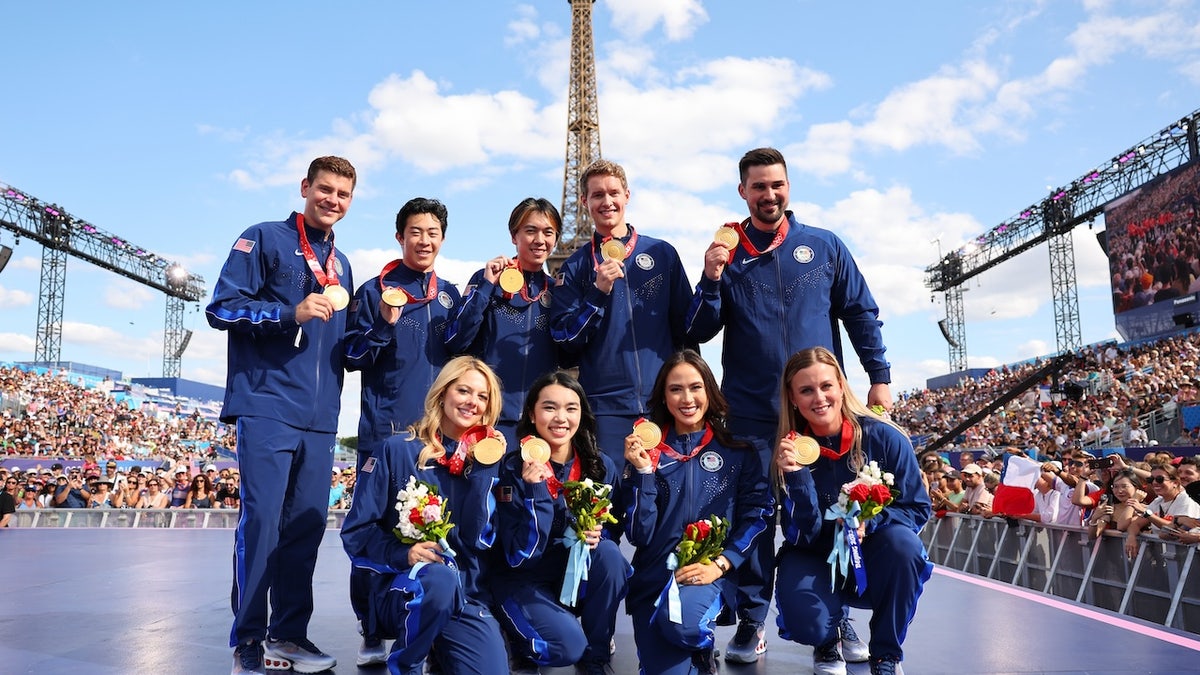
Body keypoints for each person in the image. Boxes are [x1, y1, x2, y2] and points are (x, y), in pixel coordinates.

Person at [684, 147, 891, 662]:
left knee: (830, 512)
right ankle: (752, 621)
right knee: (753, 514)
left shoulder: (823, 246)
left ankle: (838, 622)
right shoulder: (726, 255)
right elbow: (698, 330)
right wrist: (710, 280)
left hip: (818, 410)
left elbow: (861, 312)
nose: (769, 194)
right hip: (751, 410)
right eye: (758, 186)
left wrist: (879, 376)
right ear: (742, 192)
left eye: (777, 185)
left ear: (788, 187)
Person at [206, 155, 357, 675]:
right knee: (263, 525)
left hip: (321, 416)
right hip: (268, 405)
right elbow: (221, 307)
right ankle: (247, 640)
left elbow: (346, 347)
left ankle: (288, 635)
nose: (332, 200)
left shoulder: (344, 265)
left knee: (306, 528)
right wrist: (286, 312)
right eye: (324, 189)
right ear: (304, 187)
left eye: (342, 194)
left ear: (350, 201)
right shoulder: (263, 238)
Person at [344, 197, 461, 665]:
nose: (425, 240)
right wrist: (381, 327)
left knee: (434, 529)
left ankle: (425, 623)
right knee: (377, 531)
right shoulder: (375, 291)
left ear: (442, 239)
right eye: (416, 231)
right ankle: (371, 628)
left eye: (433, 232)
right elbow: (351, 357)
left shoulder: (450, 294)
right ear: (400, 236)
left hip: (437, 437)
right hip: (386, 433)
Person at [340, 356, 509, 675]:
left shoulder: (486, 465)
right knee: (438, 581)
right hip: (399, 587)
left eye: (482, 396)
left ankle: (440, 648)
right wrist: (403, 554)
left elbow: (478, 541)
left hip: (463, 594)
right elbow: (356, 533)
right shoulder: (397, 450)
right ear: (443, 393)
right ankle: (405, 665)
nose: (472, 402)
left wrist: (484, 472)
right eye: (464, 390)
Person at [771, 347, 930, 675]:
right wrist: (798, 477)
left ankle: (886, 655)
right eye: (806, 390)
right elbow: (802, 533)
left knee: (905, 547)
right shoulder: (788, 450)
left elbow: (916, 508)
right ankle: (828, 636)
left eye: (826, 386)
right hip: (814, 553)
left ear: (841, 386)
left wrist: (870, 524)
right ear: (793, 397)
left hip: (871, 553)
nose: (819, 398)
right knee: (807, 623)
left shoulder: (884, 437)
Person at [620, 350, 772, 674]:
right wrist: (644, 473)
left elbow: (758, 515)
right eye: (676, 389)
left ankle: (701, 644)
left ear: (709, 391)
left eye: (695, 387)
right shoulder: (645, 453)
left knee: (685, 626)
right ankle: (695, 656)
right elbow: (638, 533)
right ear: (664, 395)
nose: (686, 398)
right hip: (654, 582)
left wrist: (721, 564)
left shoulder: (736, 451)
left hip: (708, 576)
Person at [549, 159, 694, 462]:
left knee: (666, 500)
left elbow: (687, 331)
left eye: (613, 192)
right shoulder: (574, 267)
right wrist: (597, 293)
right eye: (597, 195)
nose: (607, 201)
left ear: (627, 195)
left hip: (663, 403)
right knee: (608, 501)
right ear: (584, 201)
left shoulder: (662, 253)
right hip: (605, 408)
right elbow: (565, 343)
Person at [492, 370, 630, 674]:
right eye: (549, 407)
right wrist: (535, 493)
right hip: (524, 579)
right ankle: (519, 637)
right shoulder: (512, 470)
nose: (561, 418)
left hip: (572, 578)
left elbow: (614, 527)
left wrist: (598, 533)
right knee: (566, 647)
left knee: (609, 555)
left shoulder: (599, 465)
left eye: (571, 408)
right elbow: (517, 557)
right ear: (531, 413)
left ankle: (596, 655)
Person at [445, 197, 565, 443]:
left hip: (539, 421)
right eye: (530, 231)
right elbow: (457, 340)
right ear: (514, 236)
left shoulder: (558, 291)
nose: (539, 240)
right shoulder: (487, 279)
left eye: (548, 232)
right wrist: (487, 287)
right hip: (490, 416)